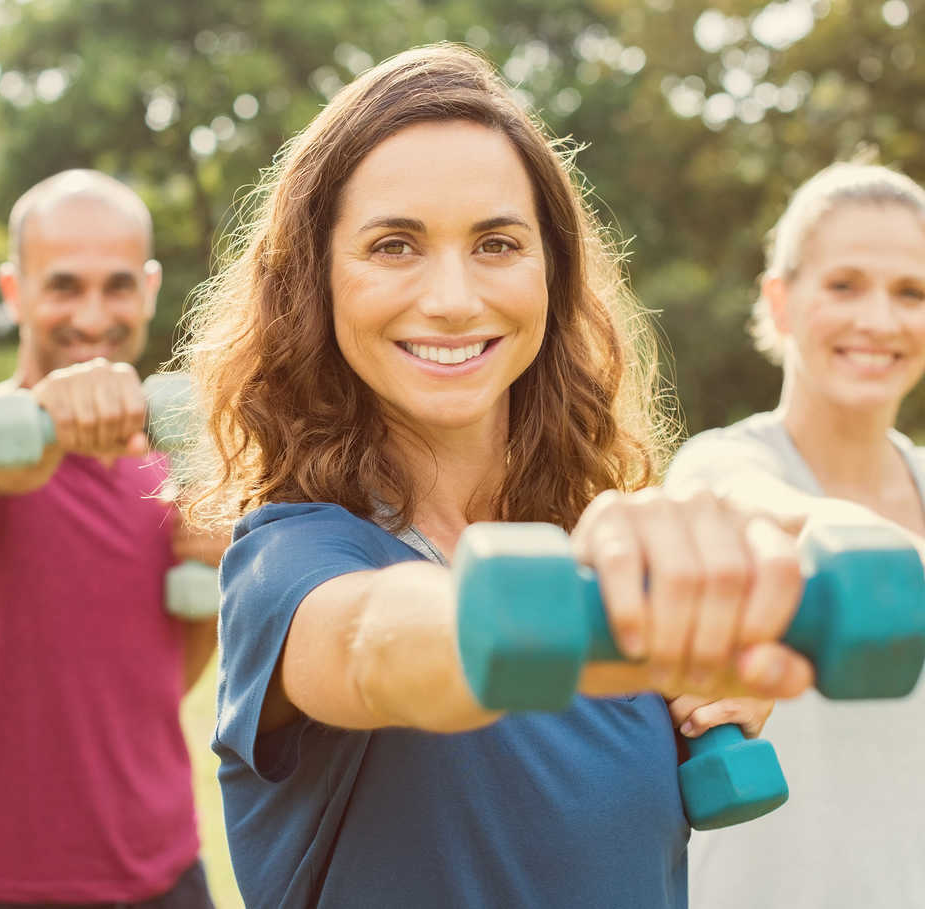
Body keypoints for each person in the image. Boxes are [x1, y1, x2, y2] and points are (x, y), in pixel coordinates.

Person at [174, 45, 822, 909]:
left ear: (550, 271)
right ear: (315, 279)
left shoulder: (601, 566)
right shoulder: (290, 568)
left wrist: (700, 653)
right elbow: (378, 647)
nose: (452, 296)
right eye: (395, 244)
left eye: (497, 243)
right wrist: (614, 621)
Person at [0, 170, 225, 908]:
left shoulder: (167, 473)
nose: (92, 315)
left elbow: (155, 685)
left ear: (148, 290)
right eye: (63, 286)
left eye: (116, 286)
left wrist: (207, 576)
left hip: (169, 871)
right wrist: (44, 413)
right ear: (14, 291)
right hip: (0, 885)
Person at [667, 160, 925, 906]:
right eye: (844, 285)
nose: (879, 320)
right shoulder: (720, 467)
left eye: (911, 292)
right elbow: (750, 506)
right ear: (780, 302)